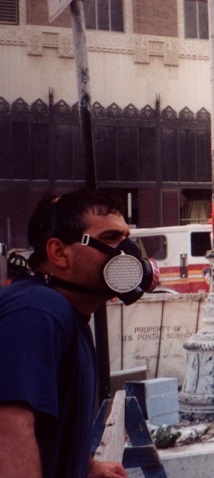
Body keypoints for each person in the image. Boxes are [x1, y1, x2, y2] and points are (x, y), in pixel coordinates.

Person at [0, 190, 130, 478]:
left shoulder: (68, 315)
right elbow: (7, 430)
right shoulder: (37, 310)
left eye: (126, 238)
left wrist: (88, 467)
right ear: (59, 252)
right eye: (110, 238)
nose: (128, 251)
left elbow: (52, 424)